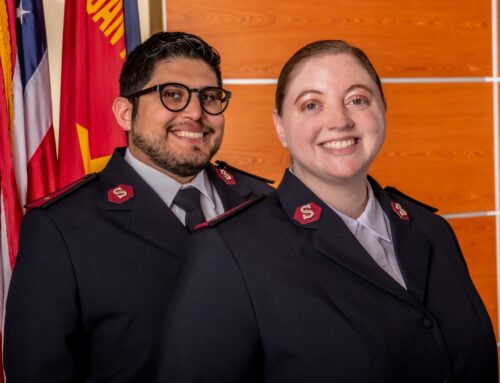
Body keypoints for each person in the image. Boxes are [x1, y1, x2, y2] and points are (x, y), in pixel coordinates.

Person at [158, 40, 498, 383]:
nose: (339, 120)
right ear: (280, 126)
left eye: (357, 100)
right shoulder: (231, 251)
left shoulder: (432, 230)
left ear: (383, 108)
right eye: (311, 105)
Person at [4, 31, 273, 382]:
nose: (195, 112)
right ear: (125, 113)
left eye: (209, 97)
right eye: (172, 95)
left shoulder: (263, 204)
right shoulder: (61, 227)